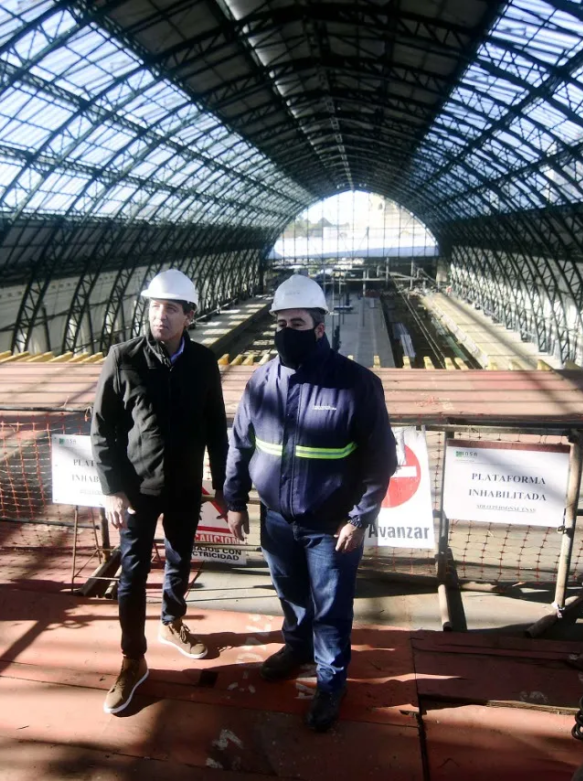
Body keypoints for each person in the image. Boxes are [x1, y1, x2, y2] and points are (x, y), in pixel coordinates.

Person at [223, 274, 397, 732]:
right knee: (292, 595)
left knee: (332, 609)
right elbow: (240, 443)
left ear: (320, 327)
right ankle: (296, 646)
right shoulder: (261, 380)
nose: (285, 330)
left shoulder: (356, 384)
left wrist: (360, 520)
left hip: (331, 524)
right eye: (279, 321)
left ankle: (330, 683)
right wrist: (235, 500)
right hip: (276, 519)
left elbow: (383, 462)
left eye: (296, 322)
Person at [91, 268, 229, 715]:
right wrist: (113, 489)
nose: (160, 315)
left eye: (171, 308)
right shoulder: (123, 357)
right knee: (131, 575)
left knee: (179, 558)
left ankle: (173, 621)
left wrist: (223, 487)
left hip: (186, 487)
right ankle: (133, 658)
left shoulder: (204, 363)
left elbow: (216, 431)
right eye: (154, 306)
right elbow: (102, 429)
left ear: (189, 315)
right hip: (136, 492)